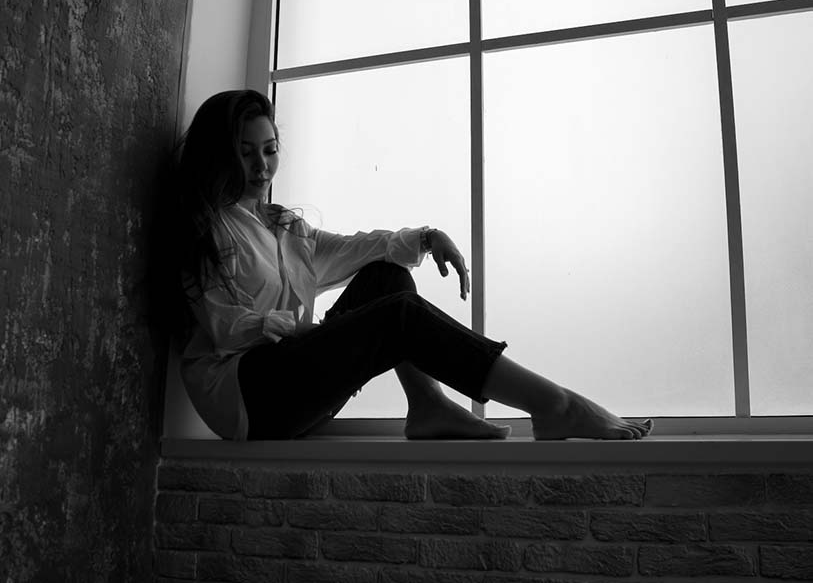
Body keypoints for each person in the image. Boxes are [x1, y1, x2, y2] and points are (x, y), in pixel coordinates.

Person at [173, 89, 654, 441]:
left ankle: (428, 405)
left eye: (270, 150)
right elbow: (226, 329)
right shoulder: (206, 228)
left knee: (387, 276)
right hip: (249, 399)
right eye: (245, 152)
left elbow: (359, 247)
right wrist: (304, 334)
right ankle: (555, 404)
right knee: (398, 317)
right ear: (221, 154)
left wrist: (426, 236)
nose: (261, 166)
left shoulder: (283, 228)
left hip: (298, 387)